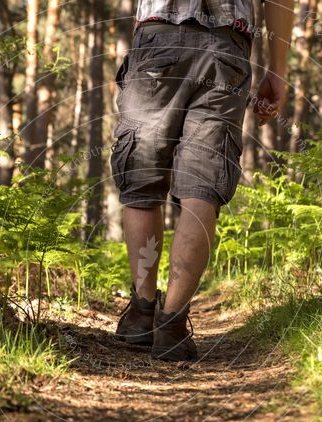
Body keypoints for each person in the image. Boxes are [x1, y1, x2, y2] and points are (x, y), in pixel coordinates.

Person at [111, 0, 294, 361]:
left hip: (157, 35)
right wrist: (278, 70)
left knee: (142, 180)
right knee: (202, 187)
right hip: (226, 46)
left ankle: (142, 313)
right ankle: (172, 324)